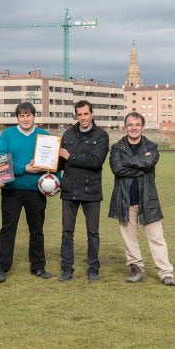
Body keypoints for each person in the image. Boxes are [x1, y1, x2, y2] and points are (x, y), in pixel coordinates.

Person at [108, 112, 175, 286]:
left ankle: (166, 273)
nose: (134, 128)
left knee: (157, 238)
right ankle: (136, 268)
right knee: (129, 239)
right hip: (125, 200)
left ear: (142, 127)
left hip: (148, 199)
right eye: (130, 124)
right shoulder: (117, 148)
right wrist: (140, 165)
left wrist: (130, 162)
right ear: (125, 127)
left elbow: (149, 162)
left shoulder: (151, 146)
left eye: (137, 124)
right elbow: (117, 168)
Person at [0, 102, 54, 283]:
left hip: (36, 191)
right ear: (17, 118)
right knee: (8, 229)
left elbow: (53, 164)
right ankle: (1, 267)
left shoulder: (44, 136)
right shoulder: (7, 135)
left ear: (34, 116)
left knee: (37, 230)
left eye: (28, 115)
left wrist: (55, 182)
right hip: (12, 191)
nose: (25, 119)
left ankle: (38, 266)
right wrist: (25, 168)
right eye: (22, 115)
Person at [57, 100, 109, 281]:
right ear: (76, 115)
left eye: (86, 114)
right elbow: (61, 163)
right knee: (67, 232)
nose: (83, 118)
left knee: (92, 232)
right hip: (69, 189)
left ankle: (93, 268)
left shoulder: (102, 136)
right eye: (79, 115)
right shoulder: (67, 134)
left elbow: (96, 161)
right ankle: (66, 268)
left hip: (91, 190)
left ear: (92, 114)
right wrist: (46, 160)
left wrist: (70, 156)